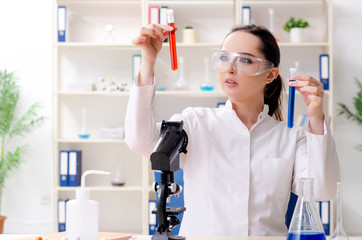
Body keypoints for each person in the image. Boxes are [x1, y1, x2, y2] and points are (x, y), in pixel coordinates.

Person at [125, 24, 340, 236]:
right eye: (224, 58)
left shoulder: (291, 136)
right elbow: (140, 141)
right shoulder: (194, 122)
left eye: (244, 60)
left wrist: (316, 117)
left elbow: (321, 189)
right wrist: (148, 61)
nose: (230, 67)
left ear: (270, 74)